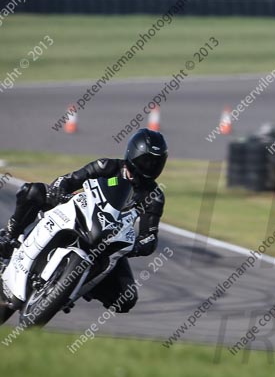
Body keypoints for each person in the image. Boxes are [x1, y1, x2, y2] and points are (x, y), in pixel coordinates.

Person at [0, 129, 168, 313]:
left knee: (126, 298)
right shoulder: (106, 166)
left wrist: (139, 246)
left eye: (156, 163)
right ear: (133, 155)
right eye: (146, 160)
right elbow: (70, 179)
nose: (150, 166)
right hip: (81, 213)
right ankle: (9, 236)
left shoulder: (155, 197)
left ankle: (73, 286)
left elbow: (150, 236)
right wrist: (59, 190)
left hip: (110, 239)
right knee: (33, 191)